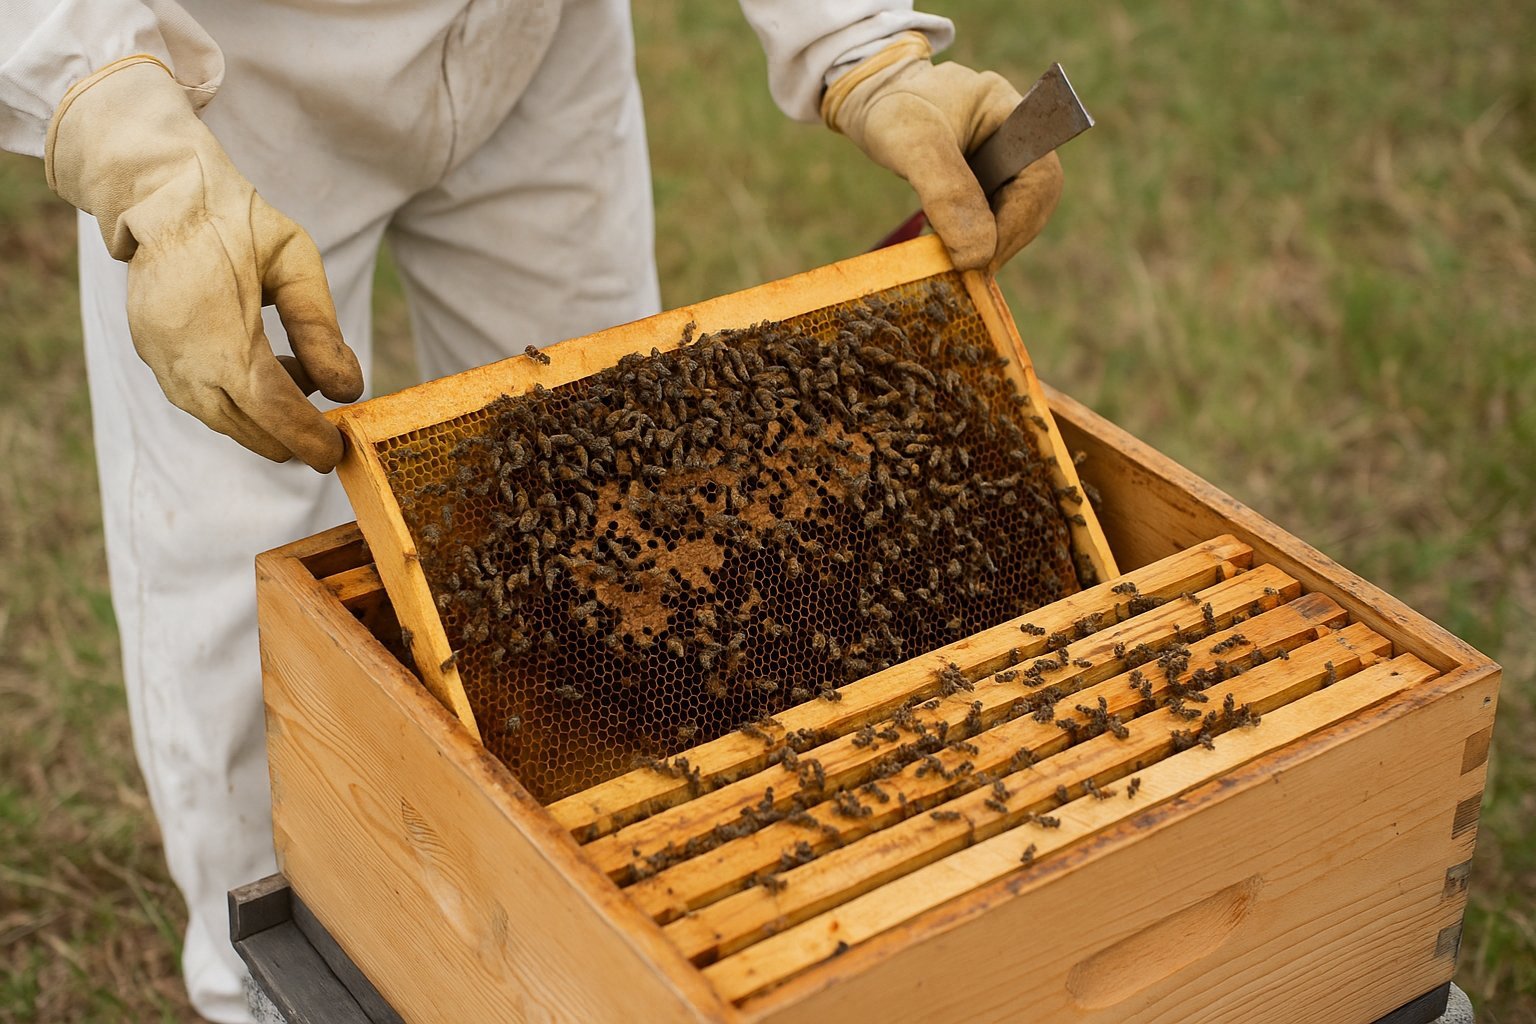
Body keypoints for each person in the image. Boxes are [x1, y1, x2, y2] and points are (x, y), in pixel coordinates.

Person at [0, 2, 1063, 1019]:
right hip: (230, 78)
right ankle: (268, 988)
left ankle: (590, 930)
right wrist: (131, 139)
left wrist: (861, 43)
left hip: (532, 45)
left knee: (609, 516)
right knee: (248, 564)